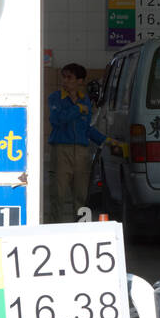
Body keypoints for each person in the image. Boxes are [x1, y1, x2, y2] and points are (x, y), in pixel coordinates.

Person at [48, 63, 121, 222]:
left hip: (81, 152)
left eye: (70, 78)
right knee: (58, 195)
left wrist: (106, 140)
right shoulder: (55, 98)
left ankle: (80, 229)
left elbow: (86, 129)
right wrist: (77, 109)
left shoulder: (85, 101)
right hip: (61, 150)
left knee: (81, 195)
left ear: (80, 81)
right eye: (64, 77)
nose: (65, 81)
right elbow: (56, 120)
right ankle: (54, 229)